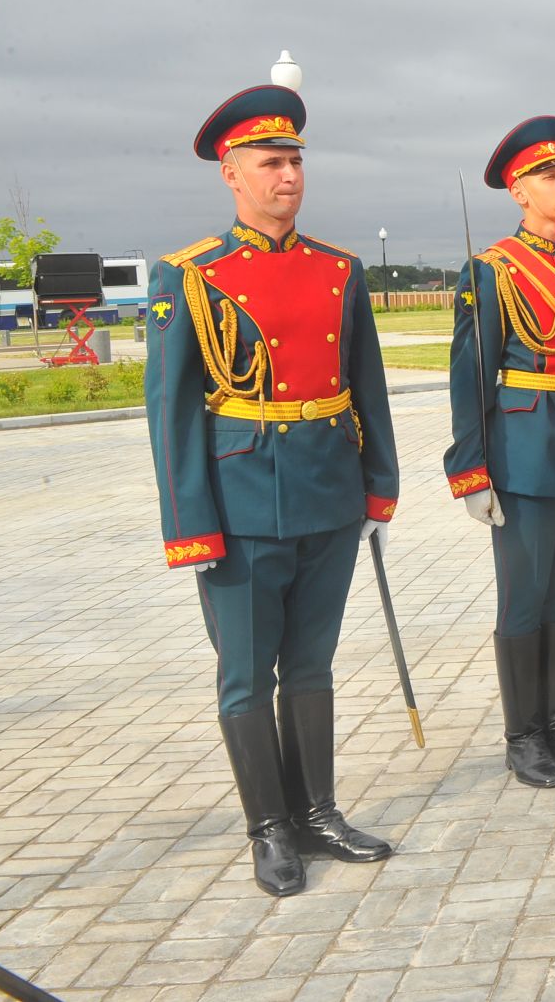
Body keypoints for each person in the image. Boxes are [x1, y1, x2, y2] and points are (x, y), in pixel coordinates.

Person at [145, 83, 398, 897]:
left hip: (328, 493)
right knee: (248, 675)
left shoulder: (339, 269)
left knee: (314, 666)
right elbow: (173, 411)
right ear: (232, 173)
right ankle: (269, 826)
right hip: (242, 500)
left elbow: (368, 386)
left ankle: (318, 811)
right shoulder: (190, 276)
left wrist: (378, 487)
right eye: (270, 162)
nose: (288, 175)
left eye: (295, 160)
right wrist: (190, 524)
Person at [445, 117, 555, 787]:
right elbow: (471, 379)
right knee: (523, 600)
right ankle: (524, 736)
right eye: (550, 175)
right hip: (521, 455)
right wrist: (470, 470)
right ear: (518, 190)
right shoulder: (491, 271)